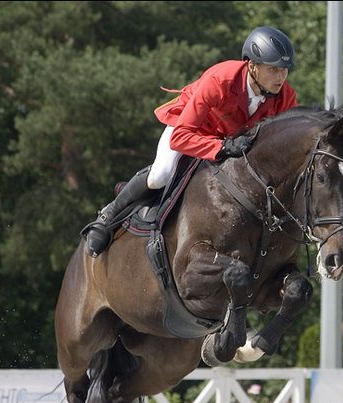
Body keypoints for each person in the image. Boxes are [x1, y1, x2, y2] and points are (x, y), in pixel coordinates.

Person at [83, 26, 299, 257]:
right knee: (161, 175)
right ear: (251, 65)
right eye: (274, 69)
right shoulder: (220, 80)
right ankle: (107, 217)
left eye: (285, 70)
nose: (281, 78)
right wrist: (221, 147)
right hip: (189, 128)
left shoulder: (286, 96)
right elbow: (181, 137)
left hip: (230, 140)